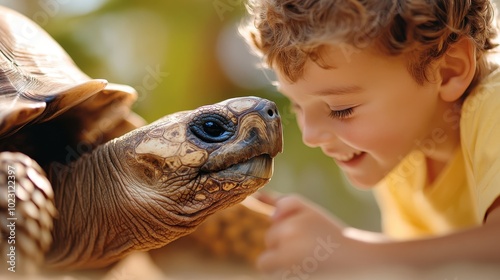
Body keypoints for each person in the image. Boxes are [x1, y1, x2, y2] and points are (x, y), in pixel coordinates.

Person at [240, 0, 500, 277]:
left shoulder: (492, 104)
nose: (310, 136)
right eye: (298, 107)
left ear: (449, 71)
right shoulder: (401, 161)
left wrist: (352, 251)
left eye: (341, 110)